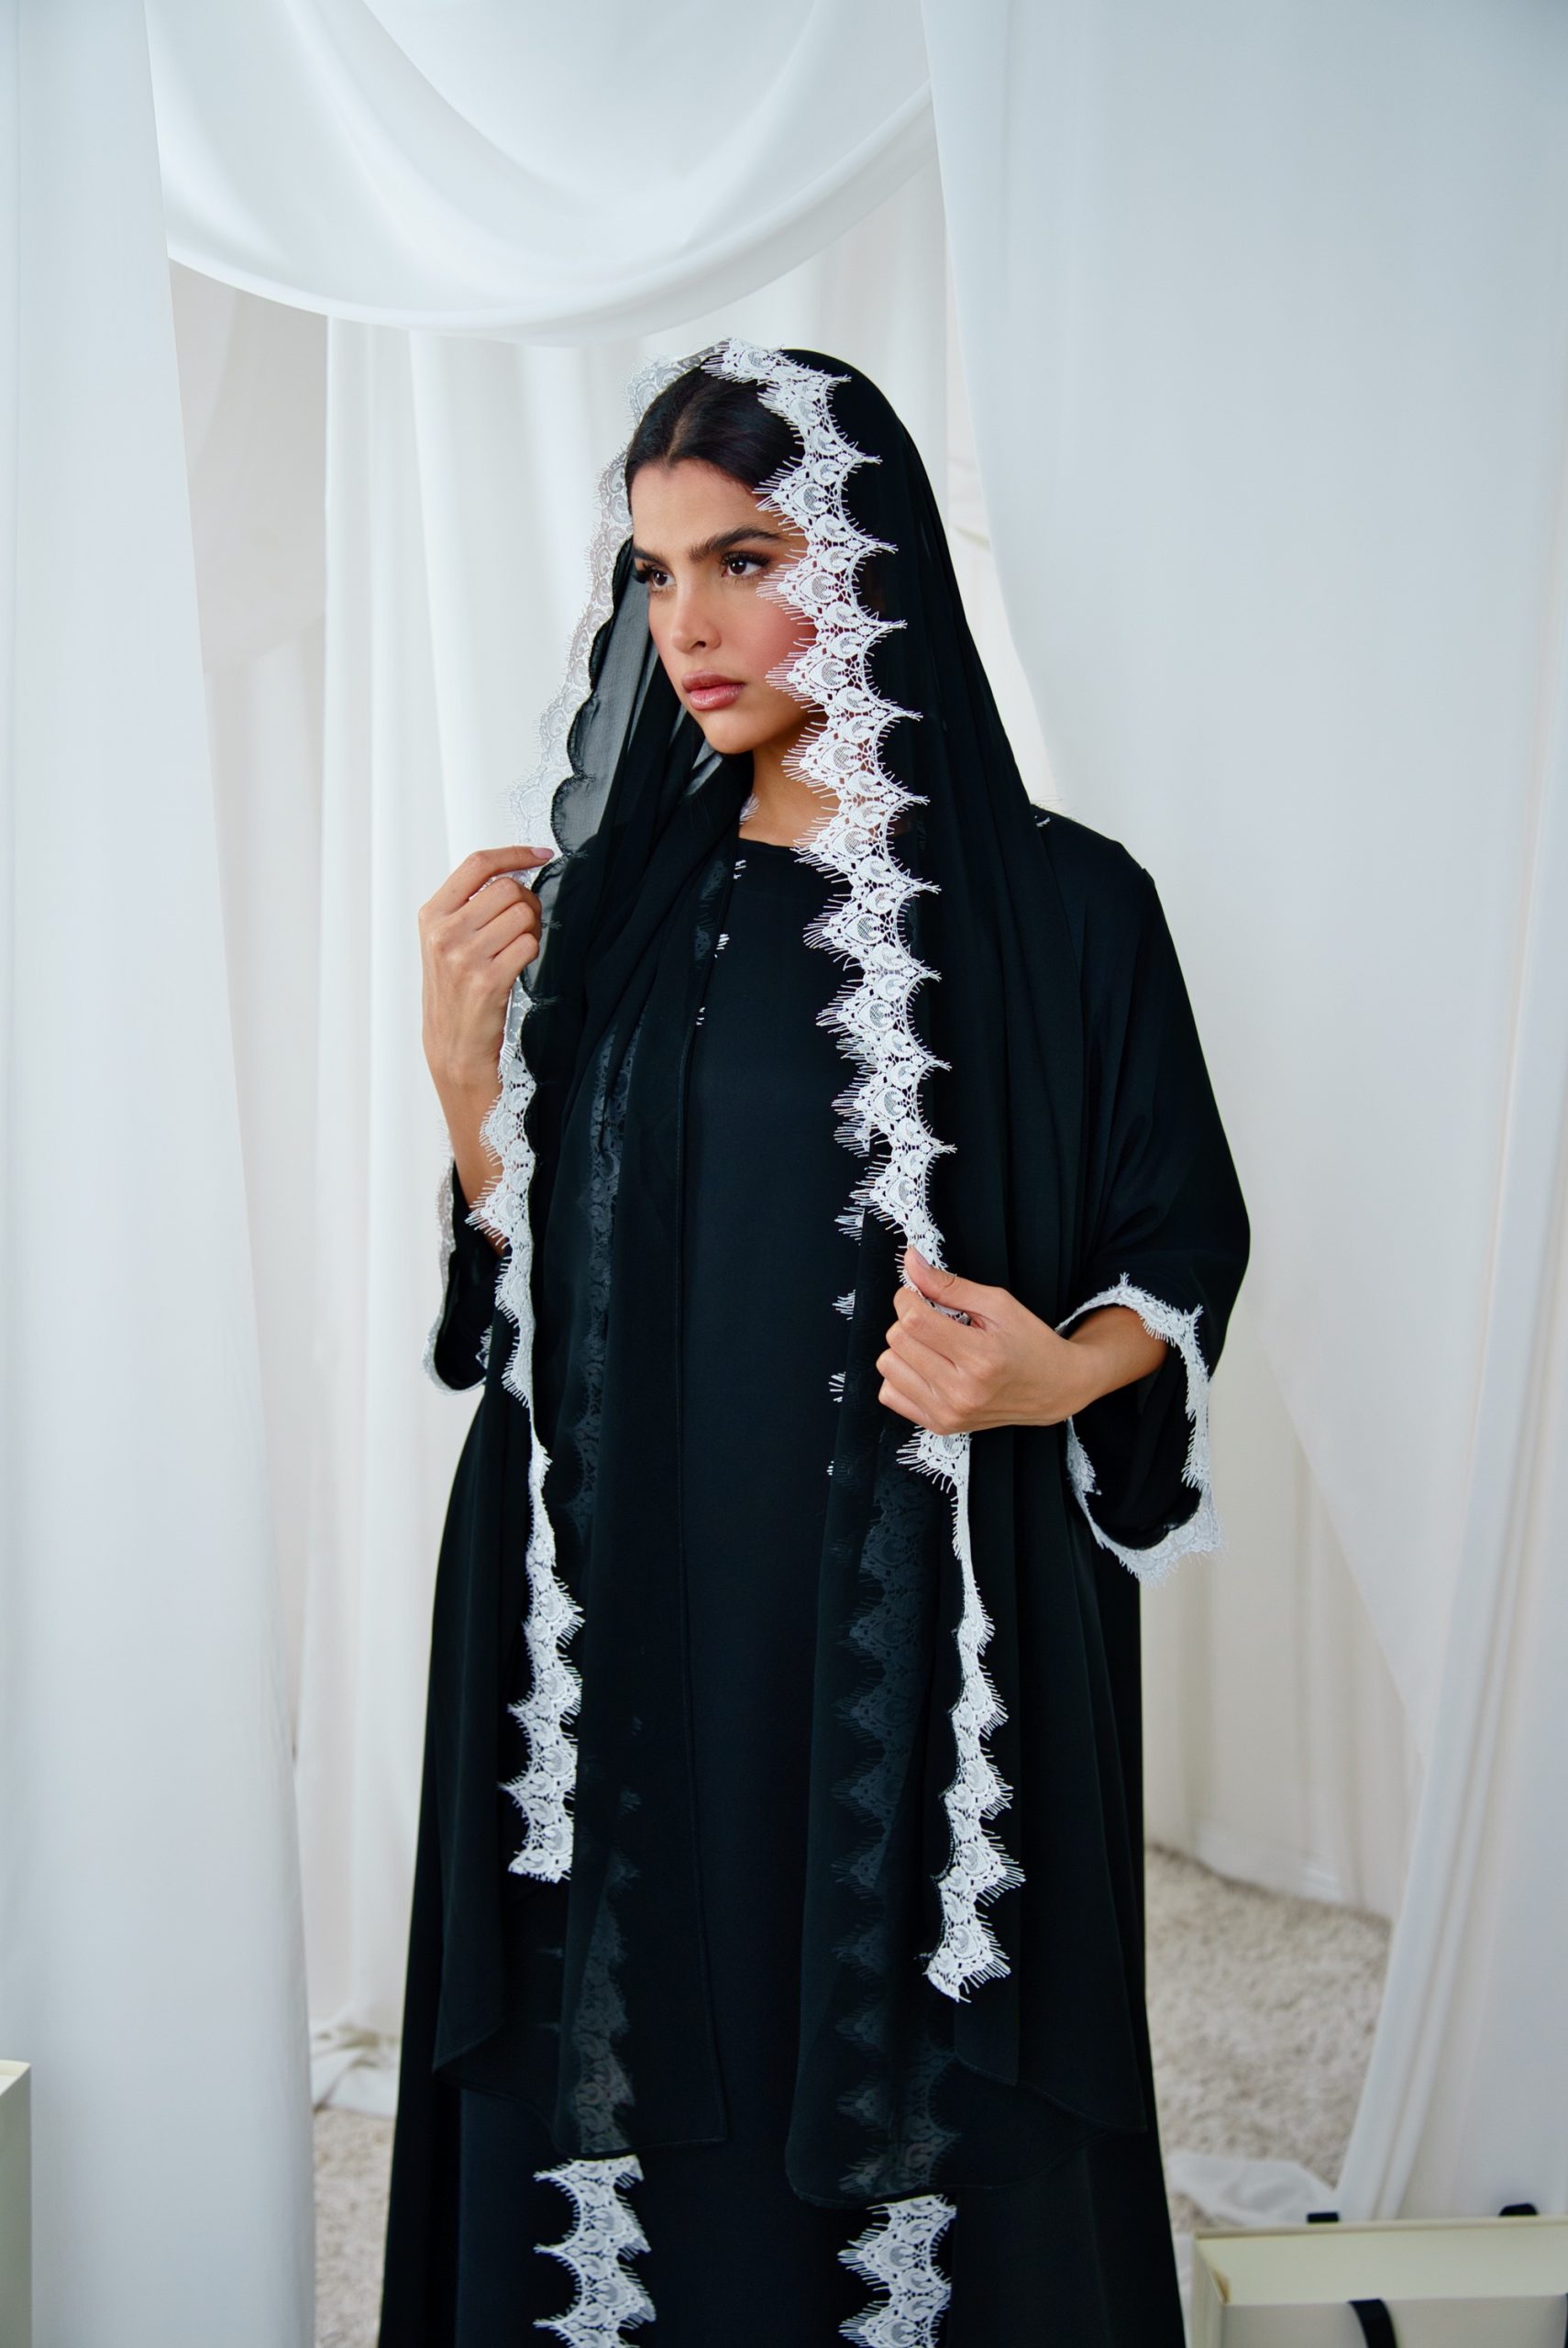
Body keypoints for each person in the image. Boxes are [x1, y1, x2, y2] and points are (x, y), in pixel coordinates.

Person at [378, 338, 1250, 2347]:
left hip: (915, 1598)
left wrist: (1054, 1372)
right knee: (624, 2032)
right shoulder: (607, 910)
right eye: (654, 572)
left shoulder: (1069, 909)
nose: (685, 623)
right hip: (618, 1590)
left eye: (743, 558)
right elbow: (529, 1292)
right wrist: (466, 1089)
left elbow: (1179, 1246)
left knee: (917, 2052)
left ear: (868, 562)